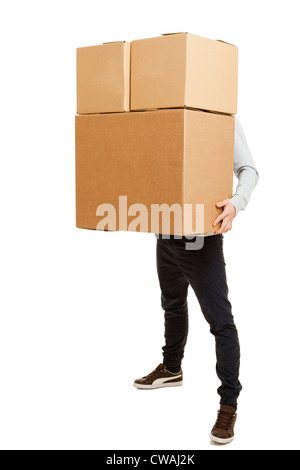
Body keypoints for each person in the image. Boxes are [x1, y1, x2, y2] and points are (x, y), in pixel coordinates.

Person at [133, 117, 259, 445]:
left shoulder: (221, 121)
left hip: (200, 240)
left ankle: (229, 403)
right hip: (164, 233)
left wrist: (236, 203)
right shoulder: (161, 116)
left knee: (221, 322)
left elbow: (249, 169)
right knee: (172, 305)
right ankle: (172, 368)